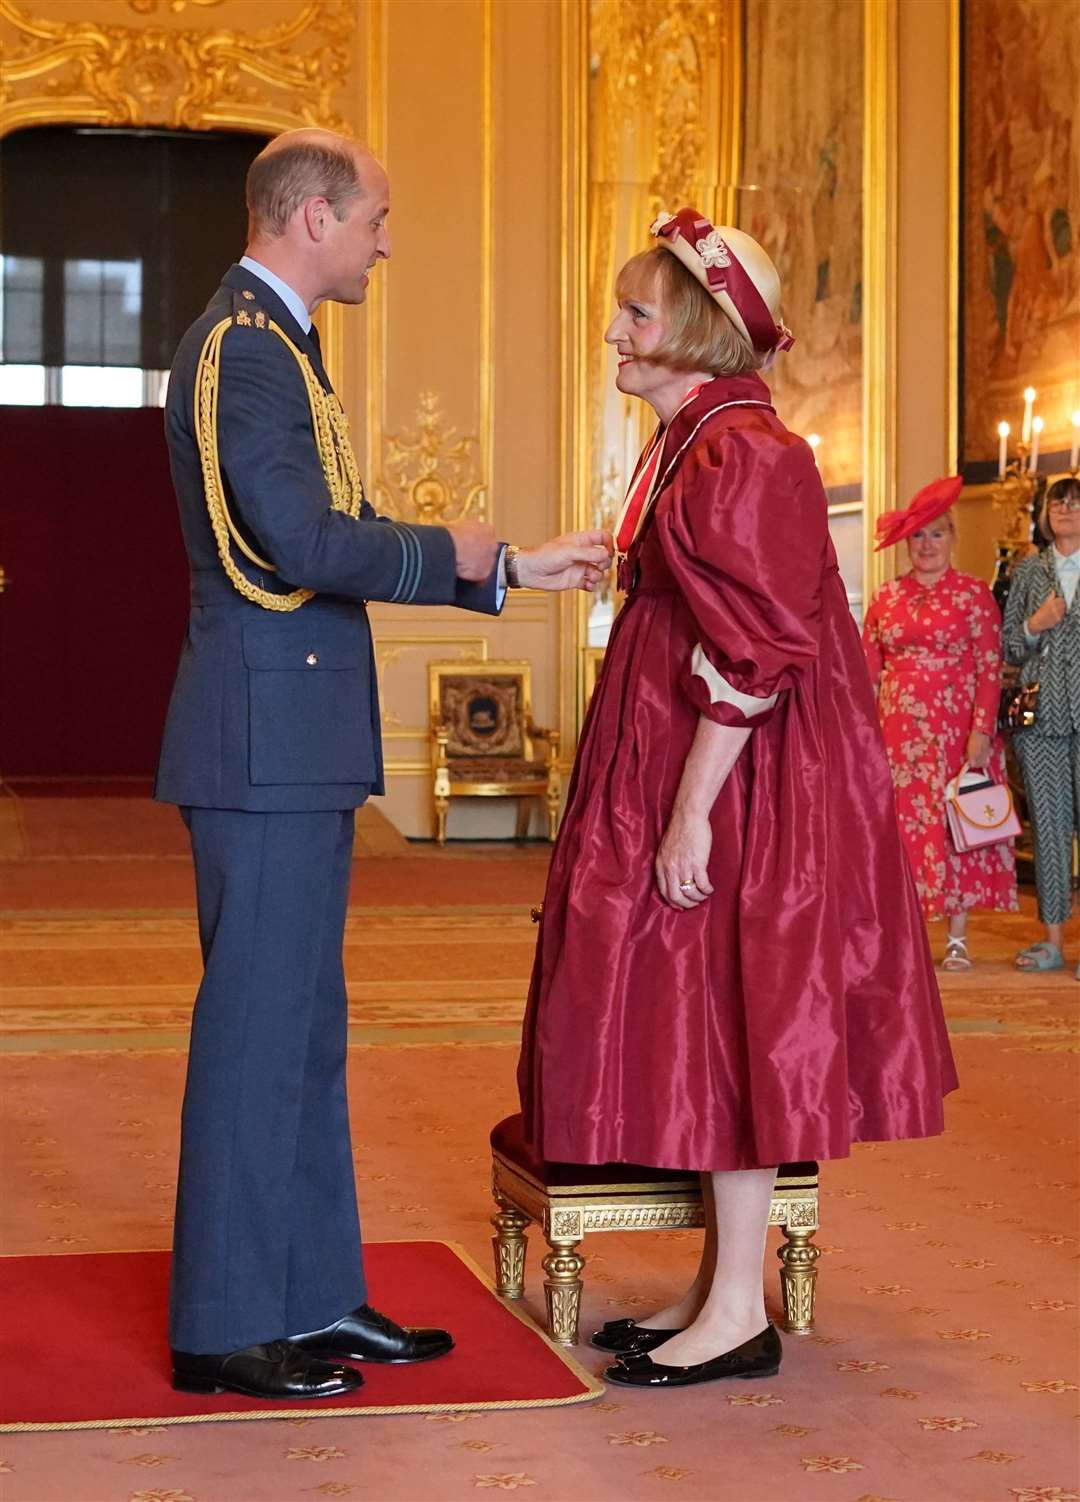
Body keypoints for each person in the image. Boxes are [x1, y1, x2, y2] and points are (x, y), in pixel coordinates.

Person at [156, 128, 612, 1401]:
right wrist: (455, 548)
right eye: (377, 219)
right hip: (262, 740)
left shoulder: (272, 341)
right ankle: (226, 1323)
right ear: (312, 219)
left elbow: (316, 533)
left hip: (285, 735)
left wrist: (508, 564)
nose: (387, 240)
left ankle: (309, 1292)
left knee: (303, 1029)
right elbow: (300, 538)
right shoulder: (244, 350)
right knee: (256, 1033)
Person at [517, 208, 957, 1390]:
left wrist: (691, 808)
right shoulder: (699, 441)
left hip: (740, 773)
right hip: (694, 748)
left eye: (638, 312)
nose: (613, 328)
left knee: (737, 1012)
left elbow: (757, 651)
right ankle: (719, 1296)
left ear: (703, 333)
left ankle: (736, 1312)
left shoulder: (743, 451)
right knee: (704, 1015)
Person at [863, 482, 1018, 971]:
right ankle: (903, 934)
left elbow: (989, 668)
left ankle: (956, 937)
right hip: (898, 731)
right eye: (918, 538)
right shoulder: (885, 597)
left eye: (936, 535)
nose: (927, 545)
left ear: (952, 539)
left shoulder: (974, 596)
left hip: (957, 732)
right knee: (900, 830)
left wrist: (980, 730)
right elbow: (868, 671)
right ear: (906, 546)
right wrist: (863, 733)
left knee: (955, 830)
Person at [1003, 476, 1080, 977]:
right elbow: (1008, 644)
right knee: (1049, 831)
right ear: (1044, 512)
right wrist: (1036, 623)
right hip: (1043, 719)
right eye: (1058, 504)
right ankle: (1052, 939)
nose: (1066, 511)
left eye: (1075, 504)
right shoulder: (1028, 570)